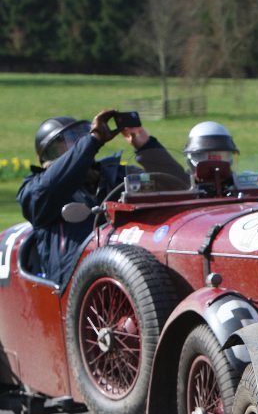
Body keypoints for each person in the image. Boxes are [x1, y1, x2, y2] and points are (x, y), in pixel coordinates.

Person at [17, 109, 186, 283]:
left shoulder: (115, 175)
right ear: (50, 151)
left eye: (81, 136)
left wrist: (146, 146)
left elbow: (179, 186)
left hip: (131, 279)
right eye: (69, 140)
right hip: (76, 291)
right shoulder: (35, 189)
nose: (78, 143)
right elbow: (52, 185)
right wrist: (93, 140)